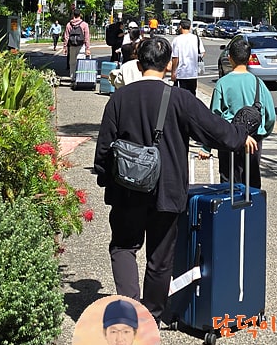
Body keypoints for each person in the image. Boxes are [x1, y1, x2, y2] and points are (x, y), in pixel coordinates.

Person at [93, 36, 257, 327]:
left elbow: (104, 149)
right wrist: (241, 133)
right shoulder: (180, 99)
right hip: (167, 190)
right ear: (169, 65)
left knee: (123, 247)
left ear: (139, 63)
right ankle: (151, 316)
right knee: (160, 256)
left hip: (126, 190)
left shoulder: (120, 98)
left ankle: (130, 310)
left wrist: (107, 181)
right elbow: (216, 132)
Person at [205, 36, 275, 189]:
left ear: (230, 58)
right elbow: (270, 117)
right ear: (249, 58)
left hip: (228, 138)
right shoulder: (258, 83)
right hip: (253, 139)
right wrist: (262, 134)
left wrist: (207, 147)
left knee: (228, 184)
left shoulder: (222, 83)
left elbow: (214, 117)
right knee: (252, 182)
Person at [170, 18, 203, 94]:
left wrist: (173, 72)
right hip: (193, 73)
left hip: (181, 73)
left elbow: (175, 58)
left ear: (180, 26)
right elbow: (202, 52)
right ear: (190, 27)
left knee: (181, 95)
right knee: (192, 94)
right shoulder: (196, 38)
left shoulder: (177, 39)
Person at [64, 9, 91, 74]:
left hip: (72, 46)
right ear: (80, 15)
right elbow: (87, 37)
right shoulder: (84, 24)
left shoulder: (69, 24)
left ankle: (72, 76)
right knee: (80, 62)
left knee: (72, 62)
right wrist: (87, 48)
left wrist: (65, 47)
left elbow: (66, 37)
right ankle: (80, 76)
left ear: (73, 15)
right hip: (81, 46)